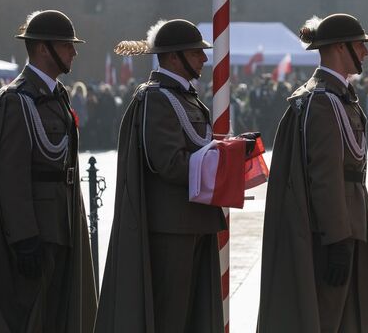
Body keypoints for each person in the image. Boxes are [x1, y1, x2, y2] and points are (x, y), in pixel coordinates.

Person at [95, 19, 257, 333]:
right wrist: (227, 156)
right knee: (171, 317)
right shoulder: (157, 98)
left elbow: (198, 148)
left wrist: (234, 148)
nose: (204, 59)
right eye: (195, 53)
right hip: (172, 226)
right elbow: (169, 163)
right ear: (173, 57)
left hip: (193, 221)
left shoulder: (183, 96)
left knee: (190, 316)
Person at [0, 10, 97, 333]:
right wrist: (24, 238)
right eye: (66, 45)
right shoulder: (16, 101)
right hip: (37, 233)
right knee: (32, 319)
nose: (73, 52)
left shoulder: (55, 96)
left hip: (61, 226)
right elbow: (11, 178)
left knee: (56, 318)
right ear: (44, 49)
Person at [257, 13, 368, 333]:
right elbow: (325, 177)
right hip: (333, 229)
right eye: (359, 45)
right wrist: (338, 239)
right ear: (340, 47)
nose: (365, 52)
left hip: (348, 221)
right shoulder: (324, 100)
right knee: (328, 318)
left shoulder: (335, 95)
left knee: (345, 316)